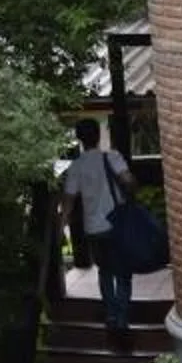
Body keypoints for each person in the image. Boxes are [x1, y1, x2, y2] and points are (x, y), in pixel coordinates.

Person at [59, 118, 137, 343]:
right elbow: (128, 181)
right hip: (117, 223)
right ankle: (122, 318)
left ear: (79, 139)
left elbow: (69, 202)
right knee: (123, 273)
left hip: (93, 227)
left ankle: (112, 315)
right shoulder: (112, 157)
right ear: (97, 135)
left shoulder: (77, 167)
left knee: (105, 271)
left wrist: (60, 228)